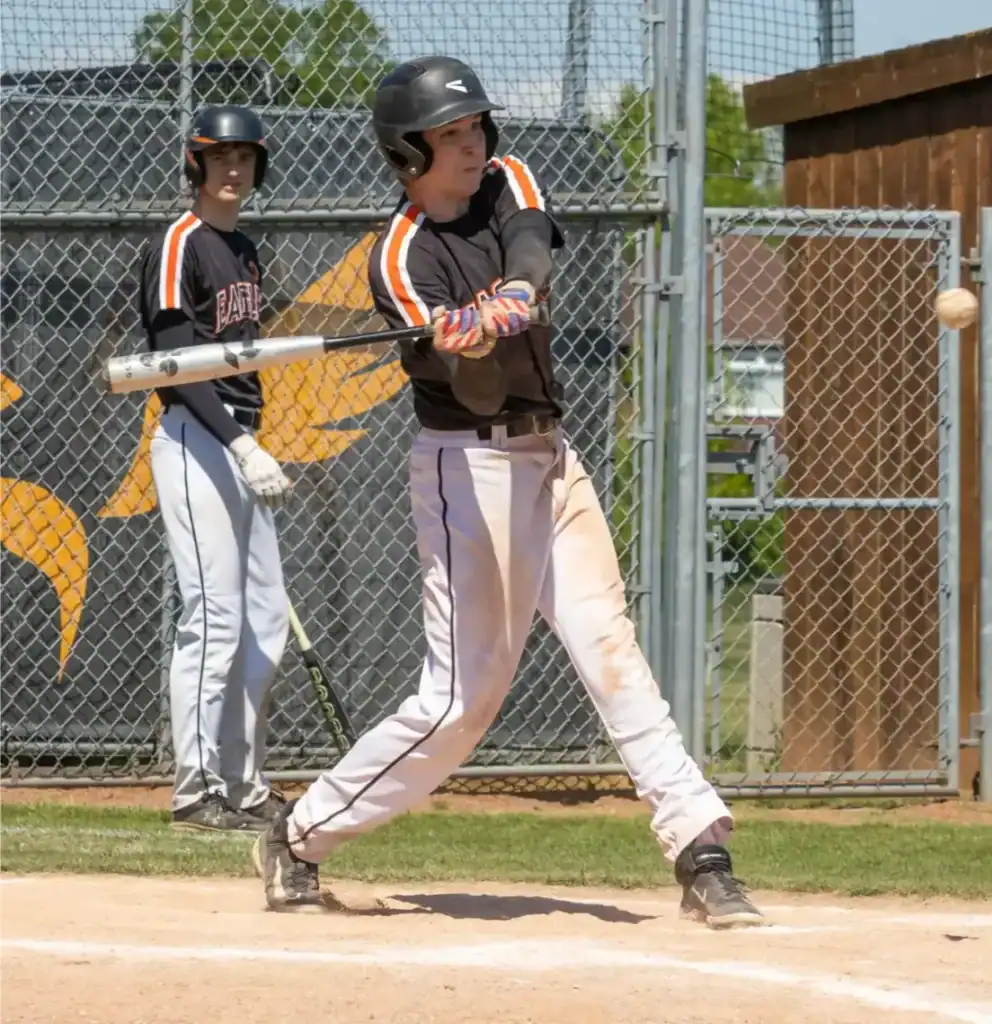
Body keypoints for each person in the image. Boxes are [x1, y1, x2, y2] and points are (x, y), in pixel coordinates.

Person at [253, 56, 765, 928]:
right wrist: (464, 339)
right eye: (449, 136)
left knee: (612, 650)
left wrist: (513, 296)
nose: (471, 145)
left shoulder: (508, 179)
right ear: (407, 154)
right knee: (463, 701)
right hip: (468, 469)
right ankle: (300, 833)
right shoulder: (401, 258)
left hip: (552, 459)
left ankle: (700, 848)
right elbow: (477, 391)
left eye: (474, 128)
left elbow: (531, 244)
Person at [138, 105, 294, 832]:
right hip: (199, 442)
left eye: (245, 158)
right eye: (219, 157)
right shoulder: (180, 243)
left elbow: (241, 359)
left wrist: (255, 442)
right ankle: (195, 790)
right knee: (216, 617)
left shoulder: (247, 250)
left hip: (242, 445)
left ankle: (245, 783)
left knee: (266, 620)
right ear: (195, 165)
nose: (234, 170)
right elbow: (175, 368)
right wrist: (240, 444)